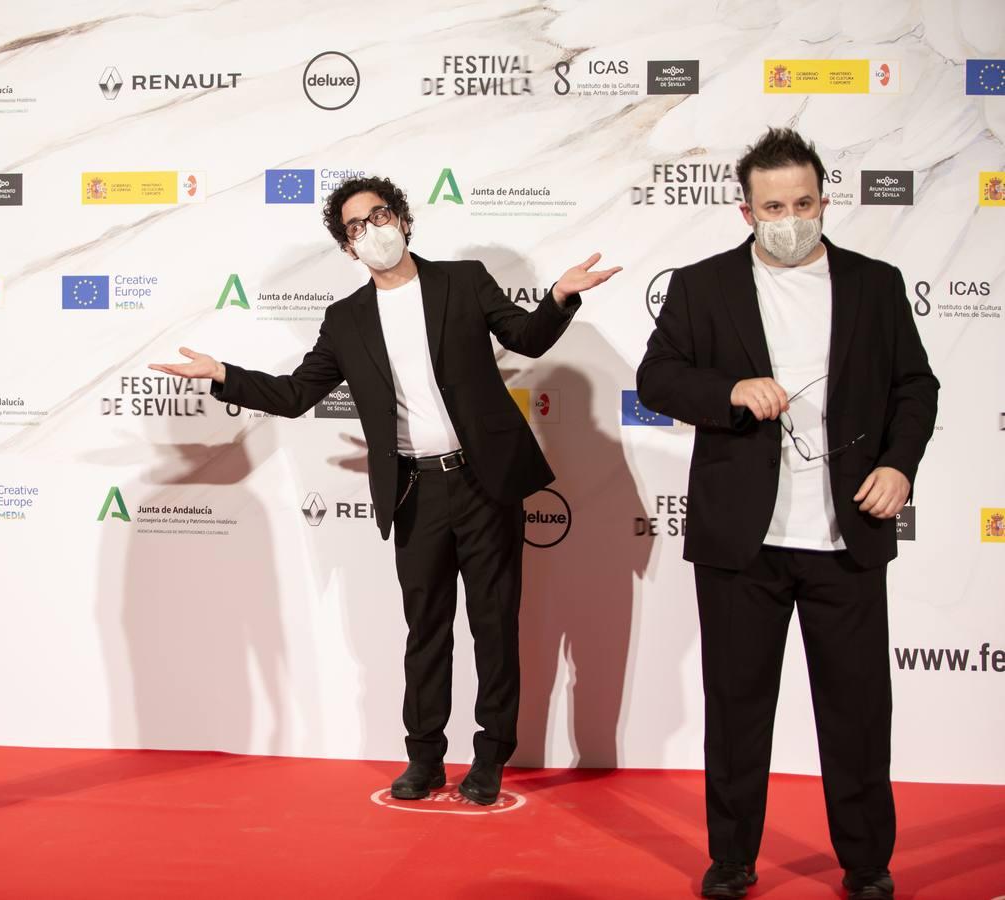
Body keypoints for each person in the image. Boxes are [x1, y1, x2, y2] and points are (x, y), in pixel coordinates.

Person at [152, 176, 619, 804]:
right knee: (425, 630)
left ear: (402, 218)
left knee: (494, 626)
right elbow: (295, 396)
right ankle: (424, 758)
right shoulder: (344, 321)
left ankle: (489, 758)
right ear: (347, 249)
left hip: (485, 484)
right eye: (355, 227)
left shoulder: (463, 280)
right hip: (415, 492)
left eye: (379, 216)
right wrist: (225, 375)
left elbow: (525, 338)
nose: (371, 231)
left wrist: (560, 297)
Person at [636, 128, 937, 900]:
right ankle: (732, 860)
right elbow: (659, 378)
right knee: (737, 712)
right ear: (746, 211)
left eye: (804, 202)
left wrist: (900, 465)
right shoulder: (703, 287)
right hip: (744, 543)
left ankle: (867, 865)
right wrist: (730, 393)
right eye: (774, 205)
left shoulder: (875, 283)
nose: (791, 217)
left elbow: (915, 387)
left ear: (824, 201)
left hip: (849, 539)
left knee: (859, 714)